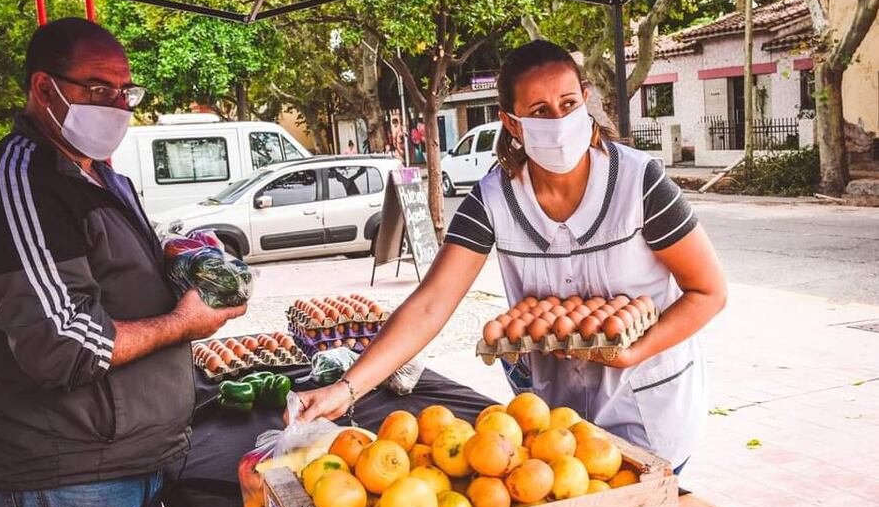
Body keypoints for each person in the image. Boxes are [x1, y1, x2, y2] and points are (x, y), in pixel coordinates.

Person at [294, 41, 727, 471]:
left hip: (649, 408)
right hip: (556, 425)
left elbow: (708, 291)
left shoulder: (639, 182)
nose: (558, 119)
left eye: (568, 103)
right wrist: (347, 390)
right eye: (539, 111)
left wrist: (633, 351)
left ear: (586, 102)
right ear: (512, 123)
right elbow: (430, 304)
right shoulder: (494, 199)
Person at [0, 18, 244, 507]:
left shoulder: (98, 174)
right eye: (96, 88)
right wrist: (186, 322)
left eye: (124, 91)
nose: (115, 104)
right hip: (70, 472)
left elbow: (108, 274)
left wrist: (175, 257)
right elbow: (65, 347)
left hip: (125, 458)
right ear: (43, 89)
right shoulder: (20, 186)